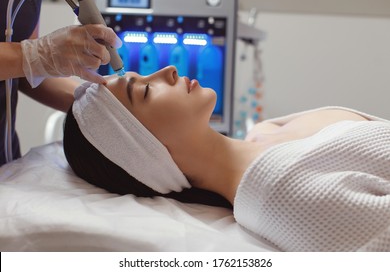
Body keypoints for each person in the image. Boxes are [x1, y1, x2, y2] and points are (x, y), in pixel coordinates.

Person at [63, 65, 390, 251]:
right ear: (147, 153)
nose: (169, 70)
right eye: (145, 91)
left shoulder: (262, 134)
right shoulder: (288, 193)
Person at [0, 0, 122, 166]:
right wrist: (32, 55)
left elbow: (25, 72)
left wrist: (93, 104)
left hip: (7, 162)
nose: (171, 71)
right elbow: (27, 59)